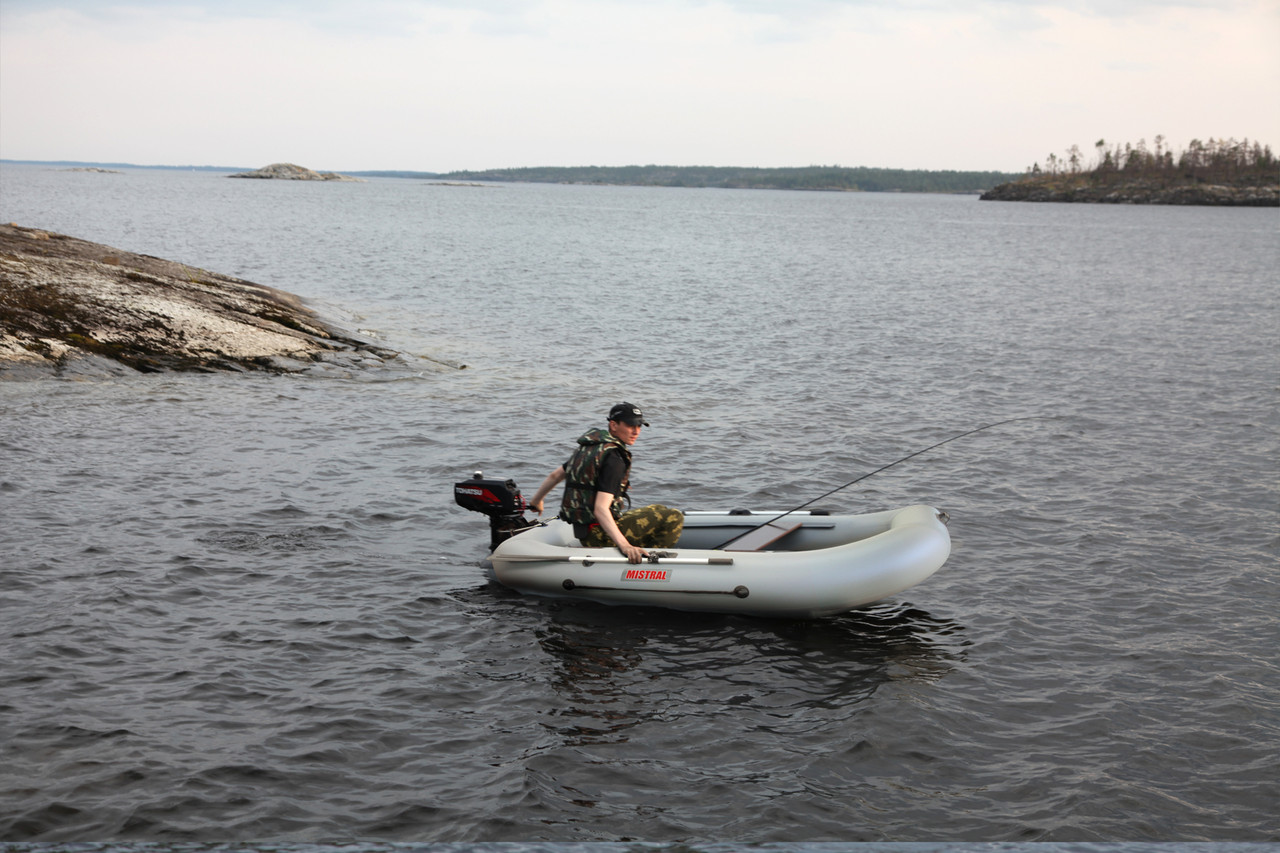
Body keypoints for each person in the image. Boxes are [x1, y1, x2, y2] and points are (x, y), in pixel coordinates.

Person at [528, 402, 684, 563]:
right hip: (598, 535)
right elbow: (600, 509)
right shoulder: (614, 458)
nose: (636, 431)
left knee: (658, 509)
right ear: (613, 425)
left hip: (585, 530)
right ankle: (650, 562)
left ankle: (643, 551)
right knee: (673, 516)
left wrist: (537, 500)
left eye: (639, 426)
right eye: (631, 425)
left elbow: (556, 475)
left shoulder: (591, 448)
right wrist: (625, 545)